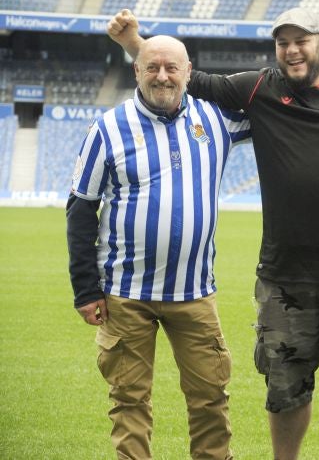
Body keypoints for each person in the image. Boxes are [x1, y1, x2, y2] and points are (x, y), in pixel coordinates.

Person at [107, 7, 319, 460]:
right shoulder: (260, 88)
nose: (291, 51)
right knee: (285, 394)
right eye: (282, 43)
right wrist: (134, 44)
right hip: (284, 280)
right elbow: (184, 76)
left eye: (301, 41)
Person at [66, 34, 252, 459]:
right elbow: (80, 209)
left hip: (194, 293)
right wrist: (85, 290)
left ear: (189, 72)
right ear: (137, 70)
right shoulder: (107, 128)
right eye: (152, 67)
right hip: (125, 294)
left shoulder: (216, 118)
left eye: (172, 68)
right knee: (129, 399)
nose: (162, 76)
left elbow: (277, 105)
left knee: (210, 396)